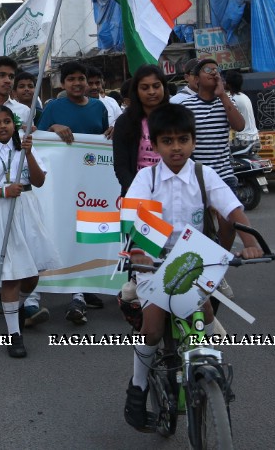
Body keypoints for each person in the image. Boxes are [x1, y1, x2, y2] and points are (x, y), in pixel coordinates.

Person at [121, 104, 263, 432]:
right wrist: (139, 251)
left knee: (206, 320)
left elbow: (233, 210)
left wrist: (250, 240)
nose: (176, 147)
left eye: (183, 139)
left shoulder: (204, 174)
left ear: (193, 142)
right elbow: (133, 218)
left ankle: (209, 375)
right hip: (153, 263)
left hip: (193, 261)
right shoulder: (147, 177)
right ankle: (138, 387)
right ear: (154, 145)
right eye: (167, 141)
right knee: (153, 328)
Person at [0, 105, 59, 358]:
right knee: (11, 275)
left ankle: (16, 307)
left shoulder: (26, 148)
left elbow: (39, 181)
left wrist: (28, 154)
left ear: (15, 124)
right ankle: (14, 334)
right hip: (1, 211)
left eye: (7, 121)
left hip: (27, 209)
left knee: (32, 274)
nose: (3, 126)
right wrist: (3, 192)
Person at [35, 60, 110, 324]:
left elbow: (103, 142)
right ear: (62, 84)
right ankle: (57, 288)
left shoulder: (99, 107)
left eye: (82, 79)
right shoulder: (54, 107)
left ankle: (84, 290)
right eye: (71, 80)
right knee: (62, 230)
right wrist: (53, 128)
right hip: (61, 184)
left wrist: (110, 133)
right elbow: (39, 139)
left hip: (91, 186)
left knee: (88, 233)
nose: (78, 84)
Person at [176, 60, 245, 192]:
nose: (213, 73)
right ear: (197, 79)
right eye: (207, 70)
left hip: (224, 177)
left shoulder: (226, 102)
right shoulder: (186, 106)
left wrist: (222, 94)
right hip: (197, 178)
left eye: (216, 70)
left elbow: (240, 126)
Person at [112, 65, 169, 197]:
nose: (151, 92)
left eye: (156, 86)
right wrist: (138, 192)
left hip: (173, 193)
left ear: (163, 88)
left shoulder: (175, 117)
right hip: (136, 195)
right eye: (145, 88)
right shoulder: (124, 122)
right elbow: (121, 166)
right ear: (136, 91)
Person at [225, 70, 259, 153]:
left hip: (244, 140)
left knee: (222, 152)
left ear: (228, 85)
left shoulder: (232, 99)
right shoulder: (244, 96)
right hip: (254, 138)